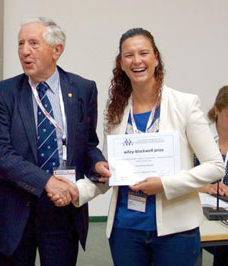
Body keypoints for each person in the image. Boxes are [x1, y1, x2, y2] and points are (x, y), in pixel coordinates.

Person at [73, 28, 225, 266]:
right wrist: (76, 190)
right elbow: (111, 175)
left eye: (143, 53)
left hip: (176, 233)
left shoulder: (184, 105)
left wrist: (164, 185)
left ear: (156, 58)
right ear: (121, 64)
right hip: (125, 231)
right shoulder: (114, 114)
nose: (137, 61)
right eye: (128, 55)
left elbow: (216, 167)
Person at [0, 17, 105, 266]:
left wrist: (98, 163)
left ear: (57, 50)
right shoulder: (3, 93)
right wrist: (46, 182)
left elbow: (88, 144)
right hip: (17, 211)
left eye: (33, 44)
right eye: (20, 43)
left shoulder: (83, 89)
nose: (24, 51)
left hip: (64, 210)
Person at [198, 86, 228, 266]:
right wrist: (207, 187)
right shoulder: (200, 137)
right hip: (199, 209)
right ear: (216, 110)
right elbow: (181, 177)